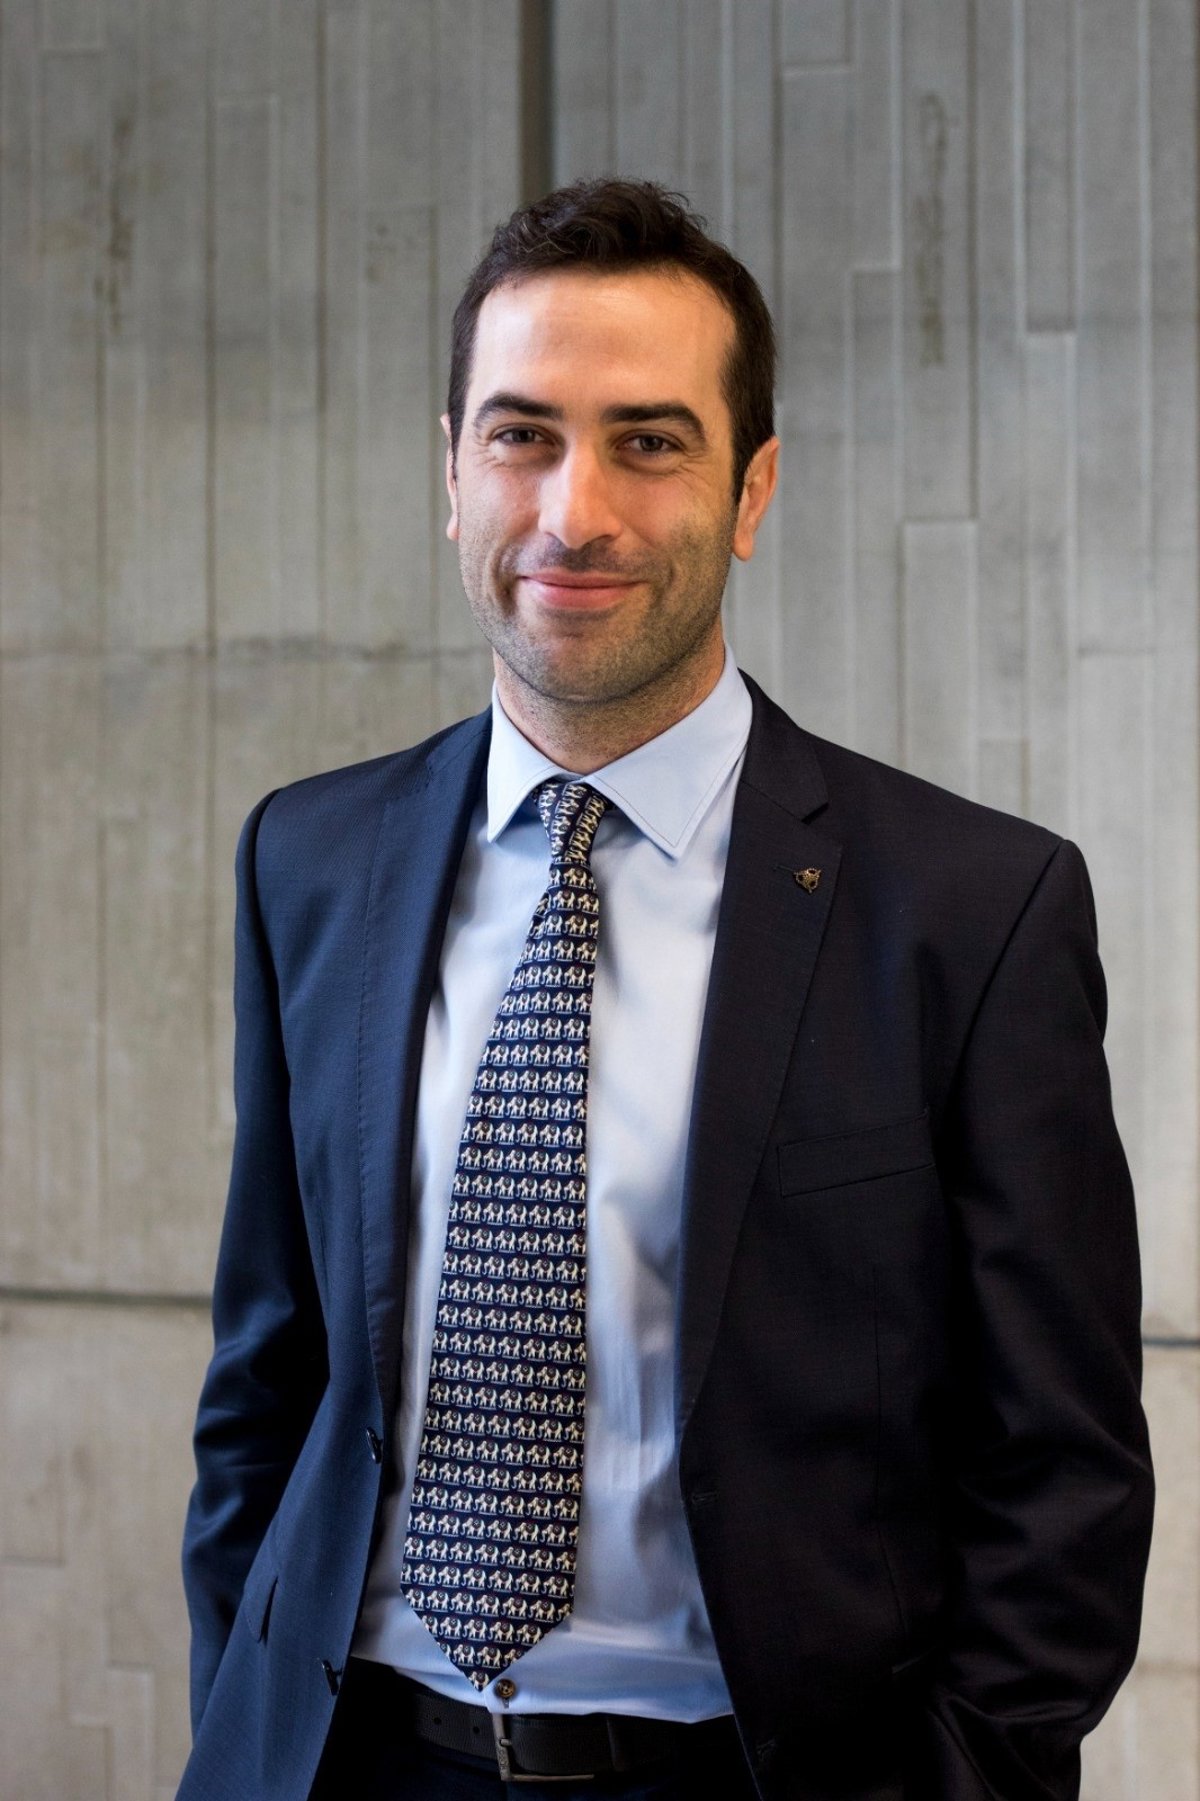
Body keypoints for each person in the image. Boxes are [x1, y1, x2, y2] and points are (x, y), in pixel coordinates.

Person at [178, 179, 1153, 1801]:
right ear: (451, 470)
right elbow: (264, 1389)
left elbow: (1065, 1465)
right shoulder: (311, 858)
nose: (576, 513)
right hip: (353, 1758)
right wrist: (243, 1723)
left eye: (649, 441)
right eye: (522, 436)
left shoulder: (974, 910)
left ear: (751, 488)